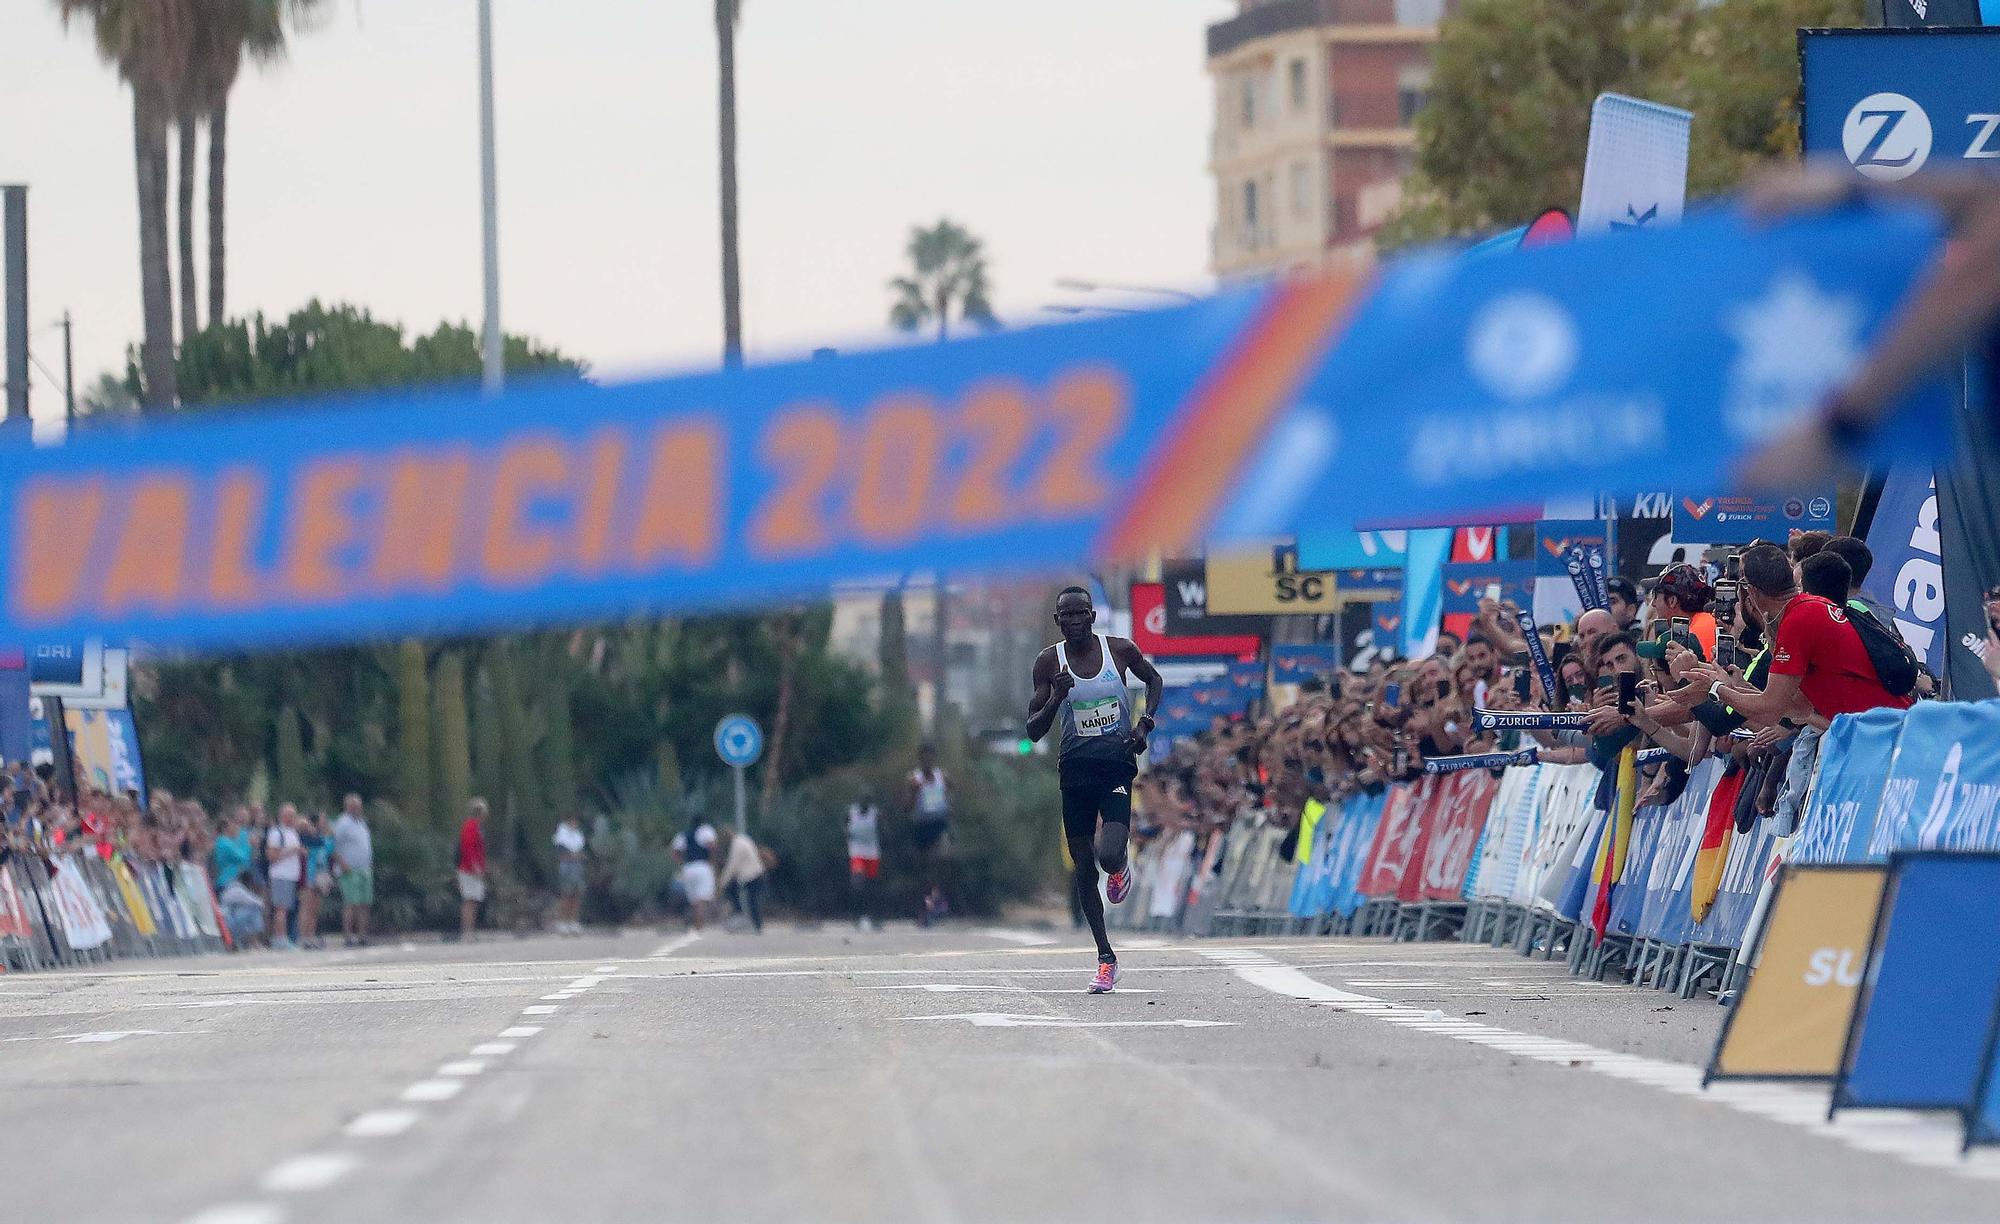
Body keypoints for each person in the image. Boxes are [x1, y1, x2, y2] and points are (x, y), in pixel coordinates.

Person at [1026, 585, 1164, 993]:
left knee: (1107, 855)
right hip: (1075, 773)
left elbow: (1153, 680)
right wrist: (1056, 697)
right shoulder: (1049, 662)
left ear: (1092, 616)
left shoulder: (1119, 650)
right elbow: (1033, 730)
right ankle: (1106, 958)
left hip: (1117, 766)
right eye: (1064, 616)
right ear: (1057, 622)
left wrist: (1145, 725)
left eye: (1079, 614)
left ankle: (1120, 866)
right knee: (1084, 868)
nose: (1072, 622)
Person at [1691, 543, 1913, 723]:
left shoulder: (1798, 619)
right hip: (1881, 726)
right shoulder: (1803, 610)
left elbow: (1770, 712)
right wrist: (1738, 688)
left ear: (1752, 591)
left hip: (1885, 729)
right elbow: (1799, 708)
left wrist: (1715, 687)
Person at [905, 744, 951, 926]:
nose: (927, 761)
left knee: (942, 860)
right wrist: (914, 793)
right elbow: (905, 807)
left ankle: (938, 901)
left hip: (939, 826)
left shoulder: (943, 777)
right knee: (924, 873)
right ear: (920, 759)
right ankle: (925, 910)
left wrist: (950, 806)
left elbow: (950, 796)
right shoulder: (913, 779)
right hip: (921, 828)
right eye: (924, 758)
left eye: (930, 757)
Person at [1646, 563, 1717, 660]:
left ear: (1672, 601)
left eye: (1655, 596)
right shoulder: (1710, 620)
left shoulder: (1691, 636)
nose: (1653, 603)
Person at [331, 794, 373, 947]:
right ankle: (348, 936)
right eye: (353, 806)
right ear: (347, 807)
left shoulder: (361, 822)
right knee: (351, 903)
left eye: (358, 806)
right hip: (349, 869)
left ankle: (362, 935)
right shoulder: (342, 823)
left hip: (364, 869)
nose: (357, 808)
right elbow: (333, 845)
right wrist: (342, 863)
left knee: (364, 903)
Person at [264, 804, 305, 950]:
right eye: (290, 815)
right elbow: (271, 855)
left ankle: (283, 936)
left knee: (286, 908)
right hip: (280, 875)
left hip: (291, 876)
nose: (294, 818)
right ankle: (280, 938)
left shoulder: (292, 832)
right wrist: (292, 851)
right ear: (283, 816)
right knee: (281, 908)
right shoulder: (276, 833)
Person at [671, 813, 718, 931]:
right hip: (703, 866)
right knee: (702, 898)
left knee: (694, 899)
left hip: (688, 868)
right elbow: (713, 846)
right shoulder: (706, 831)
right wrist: (712, 862)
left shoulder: (683, 835)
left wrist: (681, 864)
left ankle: (696, 923)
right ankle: (699, 925)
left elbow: (675, 853)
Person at [718, 828, 768, 934]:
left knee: (751, 900)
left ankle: (750, 921)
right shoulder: (743, 840)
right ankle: (755, 924)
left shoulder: (737, 845)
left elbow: (732, 865)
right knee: (752, 900)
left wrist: (722, 882)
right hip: (756, 873)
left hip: (751, 875)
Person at [845, 796, 882, 931]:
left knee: (872, 886)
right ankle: (858, 914)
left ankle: (872, 916)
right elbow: (845, 826)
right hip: (857, 853)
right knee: (858, 883)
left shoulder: (874, 814)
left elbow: (881, 828)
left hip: (872, 853)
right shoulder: (851, 812)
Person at [297, 812, 332, 950]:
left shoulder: (322, 838)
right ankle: (303, 936)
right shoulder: (306, 837)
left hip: (320, 873)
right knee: (307, 906)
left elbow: (328, 849)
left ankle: (311, 936)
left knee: (315, 908)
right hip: (309, 874)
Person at [457, 798, 488, 940]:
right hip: (469, 870)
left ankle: (470, 930)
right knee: (469, 900)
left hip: (474, 869)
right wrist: (475, 868)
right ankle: (467, 931)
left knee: (473, 900)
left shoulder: (476, 827)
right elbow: (468, 848)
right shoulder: (470, 827)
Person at [552, 815, 587, 936]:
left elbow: (582, 852)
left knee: (577, 895)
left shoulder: (578, 836)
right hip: (567, 868)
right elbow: (560, 853)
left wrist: (578, 856)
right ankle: (562, 922)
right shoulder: (561, 835)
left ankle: (573, 921)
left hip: (578, 868)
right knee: (566, 894)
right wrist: (572, 856)